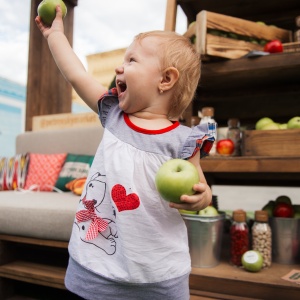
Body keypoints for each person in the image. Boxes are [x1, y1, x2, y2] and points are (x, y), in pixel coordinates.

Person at [35, 6, 215, 300]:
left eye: (131, 60)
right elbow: (76, 74)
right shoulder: (113, 115)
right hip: (96, 267)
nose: (120, 67)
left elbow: (201, 187)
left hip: (158, 274)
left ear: (166, 80)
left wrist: (201, 198)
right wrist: (55, 35)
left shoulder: (184, 141)